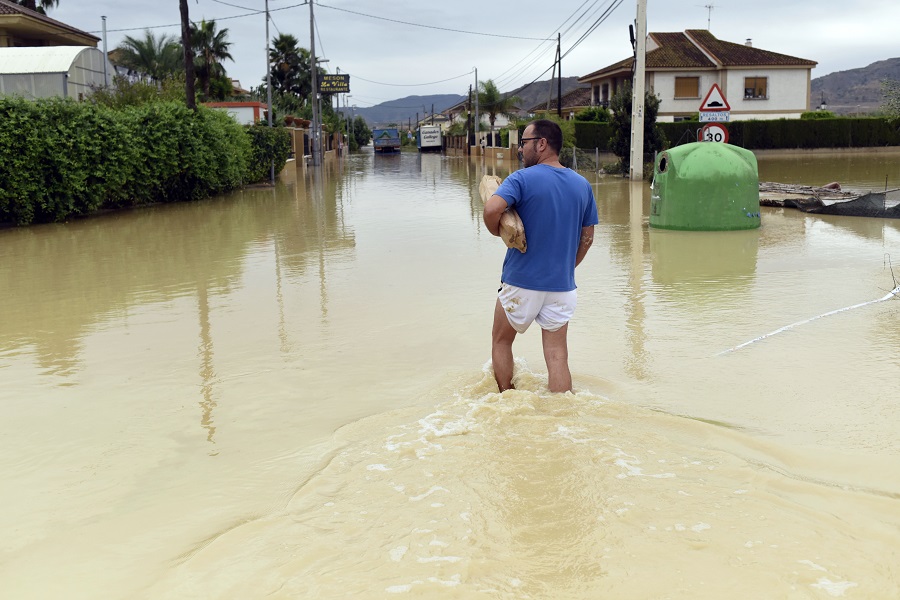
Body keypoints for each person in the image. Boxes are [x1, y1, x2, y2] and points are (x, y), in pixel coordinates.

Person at [482, 119, 598, 393]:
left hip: (521, 282)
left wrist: (495, 232)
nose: (521, 150)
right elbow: (588, 237)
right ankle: (561, 414)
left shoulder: (522, 178)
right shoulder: (582, 185)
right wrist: (567, 268)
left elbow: (491, 210)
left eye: (524, 143)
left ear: (542, 144)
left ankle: (506, 401)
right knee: (558, 356)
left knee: (501, 341)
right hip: (562, 286)